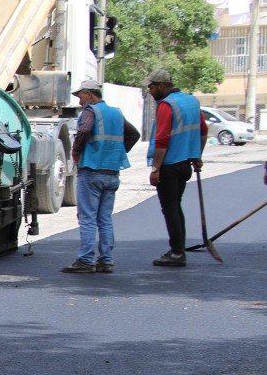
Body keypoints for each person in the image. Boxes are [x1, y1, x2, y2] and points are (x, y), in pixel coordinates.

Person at [61, 79, 141, 274]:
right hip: (112, 172)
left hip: (92, 170)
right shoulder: (116, 113)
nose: (79, 102)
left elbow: (84, 131)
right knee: (104, 218)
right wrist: (116, 153)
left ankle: (86, 260)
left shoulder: (91, 112)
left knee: (87, 217)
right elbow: (133, 134)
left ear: (89, 94)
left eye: (80, 96)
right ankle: (106, 260)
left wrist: (76, 152)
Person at [144, 68, 208, 267]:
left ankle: (177, 252)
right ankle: (177, 248)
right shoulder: (191, 101)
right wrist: (197, 155)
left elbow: (162, 138)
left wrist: (156, 169)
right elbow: (203, 132)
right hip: (185, 165)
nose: (150, 91)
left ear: (162, 85)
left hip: (169, 166)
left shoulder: (166, 105)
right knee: (175, 206)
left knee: (170, 208)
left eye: (152, 87)